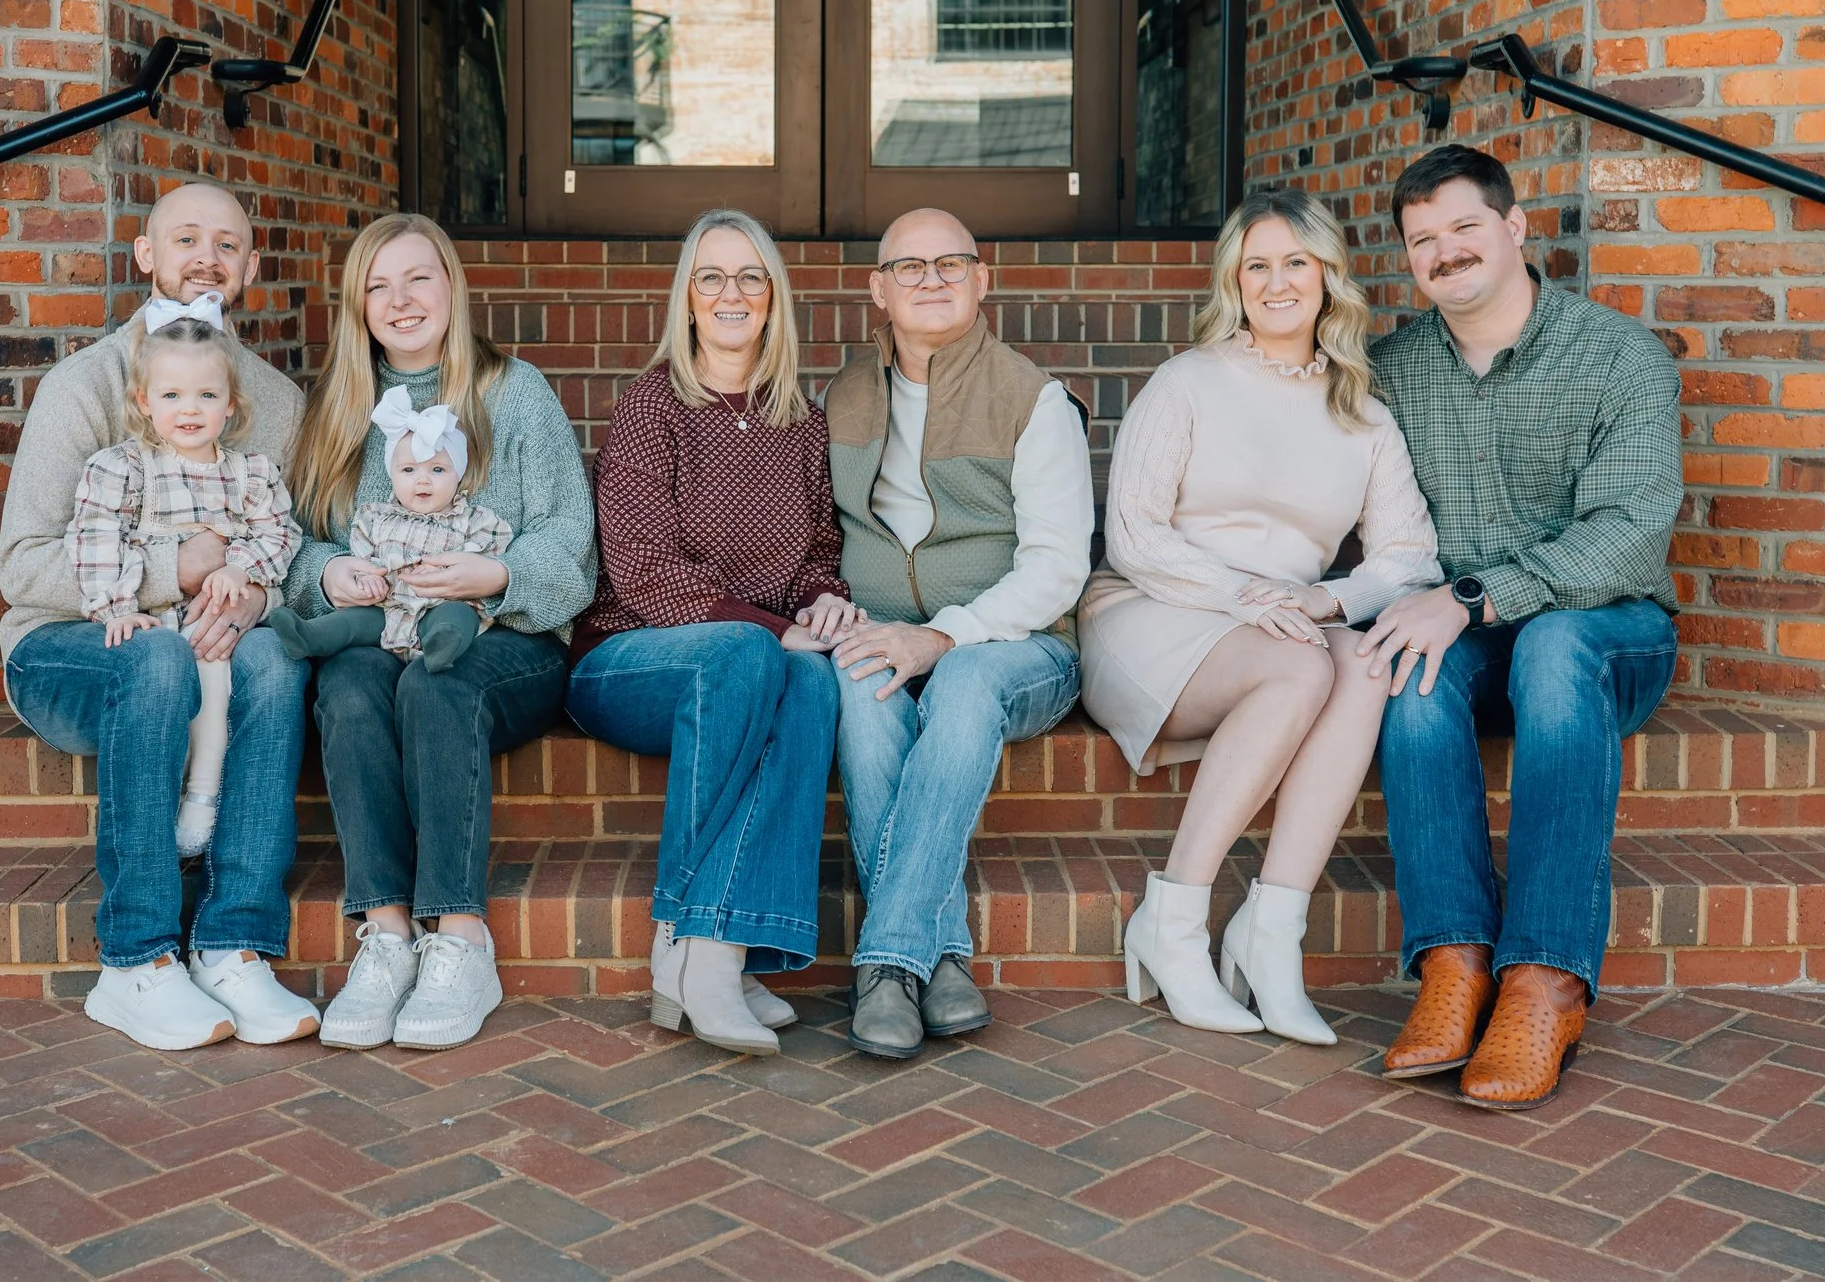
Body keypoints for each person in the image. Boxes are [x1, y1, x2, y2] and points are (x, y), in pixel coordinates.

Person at [1363, 144, 1681, 1111]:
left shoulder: (1618, 356)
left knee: (1552, 646)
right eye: (1423, 240)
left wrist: (1471, 597)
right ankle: (1454, 962)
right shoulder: (1390, 371)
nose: (1445, 252)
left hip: (1607, 632)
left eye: (1464, 227)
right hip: (1461, 627)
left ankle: (1545, 974)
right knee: (1409, 675)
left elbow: (1628, 539)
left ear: (1515, 229)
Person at [1079, 190, 1439, 1041]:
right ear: (1233, 283)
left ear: (1327, 275)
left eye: (1295, 262)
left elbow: (1408, 555)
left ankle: (1270, 932)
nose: (1278, 282)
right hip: (1153, 609)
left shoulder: (1363, 414)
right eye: (1257, 265)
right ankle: (1171, 922)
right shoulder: (1189, 381)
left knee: (1362, 660)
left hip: (1284, 627)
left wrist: (1325, 598)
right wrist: (1247, 597)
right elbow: (1134, 533)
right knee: (1309, 662)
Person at [0, 180, 318, 1052]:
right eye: (185, 239)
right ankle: (134, 959)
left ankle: (233, 942)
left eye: (226, 244)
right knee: (161, 662)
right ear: (147, 255)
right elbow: (22, 563)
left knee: (274, 660)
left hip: (215, 643)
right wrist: (170, 571)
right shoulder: (85, 384)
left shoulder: (277, 405)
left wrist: (254, 593)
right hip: (72, 647)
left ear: (249, 268)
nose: (205, 257)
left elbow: (287, 541)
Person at [285, 213, 596, 1052]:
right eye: (378, 285)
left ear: (451, 288)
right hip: (382, 628)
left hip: (505, 639)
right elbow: (296, 537)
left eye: (418, 277)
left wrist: (494, 575)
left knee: (436, 680)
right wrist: (326, 572)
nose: (401, 299)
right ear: (359, 306)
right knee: (346, 687)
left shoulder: (514, 392)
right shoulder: (341, 408)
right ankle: (385, 933)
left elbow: (572, 538)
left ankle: (459, 938)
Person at [567, 211, 859, 1057]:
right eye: (711, 277)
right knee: (751, 654)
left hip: (751, 657)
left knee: (809, 679)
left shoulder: (798, 420)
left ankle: (713, 950)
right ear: (687, 298)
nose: (731, 294)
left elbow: (817, 552)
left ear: (773, 298)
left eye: (750, 277)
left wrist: (825, 604)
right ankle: (697, 938)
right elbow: (644, 572)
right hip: (626, 659)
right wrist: (774, 628)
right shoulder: (653, 404)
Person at [823, 208, 1092, 1060]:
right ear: (878, 291)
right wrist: (835, 611)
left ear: (984, 280)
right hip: (885, 631)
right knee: (862, 683)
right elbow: (812, 534)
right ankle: (935, 956)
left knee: (968, 684)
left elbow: (1057, 570)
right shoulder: (842, 395)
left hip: (1019, 646)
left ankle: (886, 955)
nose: (931, 278)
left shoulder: (1032, 398)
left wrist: (944, 637)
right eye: (909, 266)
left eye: (952, 263)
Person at [64, 306, 302, 857]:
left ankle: (203, 794)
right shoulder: (119, 468)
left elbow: (280, 534)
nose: (189, 409)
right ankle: (163, 809)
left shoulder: (251, 473)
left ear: (230, 404)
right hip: (151, 620)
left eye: (206, 396)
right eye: (171, 396)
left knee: (217, 687)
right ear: (145, 401)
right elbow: (94, 540)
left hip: (211, 623)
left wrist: (241, 566)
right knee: (164, 680)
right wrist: (117, 607)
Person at [266, 398, 508, 671]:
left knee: (458, 617)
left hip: (440, 604)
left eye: (438, 469)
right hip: (385, 607)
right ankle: (310, 636)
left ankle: (442, 648)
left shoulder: (474, 520)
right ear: (392, 473)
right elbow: (363, 558)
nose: (423, 480)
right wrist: (368, 579)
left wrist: (459, 567)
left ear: (459, 475)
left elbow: (494, 547)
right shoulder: (375, 517)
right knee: (350, 621)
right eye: (408, 470)